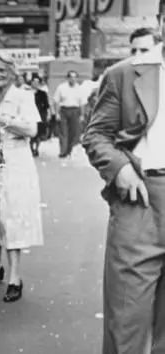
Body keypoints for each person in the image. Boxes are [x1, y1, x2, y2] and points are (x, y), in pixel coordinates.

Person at [82, 22, 165, 353]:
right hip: (141, 197)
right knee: (127, 317)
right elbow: (96, 134)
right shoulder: (125, 73)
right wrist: (120, 170)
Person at [0, 53, 44, 303]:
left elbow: (31, 129)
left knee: (11, 217)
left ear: (13, 72)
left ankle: (15, 278)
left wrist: (0, 118)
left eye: (2, 71)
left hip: (16, 163)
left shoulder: (23, 96)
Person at [53, 70, 85, 159]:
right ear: (68, 78)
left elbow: (82, 103)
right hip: (64, 110)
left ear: (77, 78)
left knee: (73, 132)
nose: (73, 79)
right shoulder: (61, 87)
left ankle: (69, 150)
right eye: (71, 77)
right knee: (63, 132)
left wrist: (82, 115)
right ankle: (63, 151)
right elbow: (56, 101)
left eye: (75, 77)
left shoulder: (80, 89)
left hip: (75, 111)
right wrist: (56, 113)